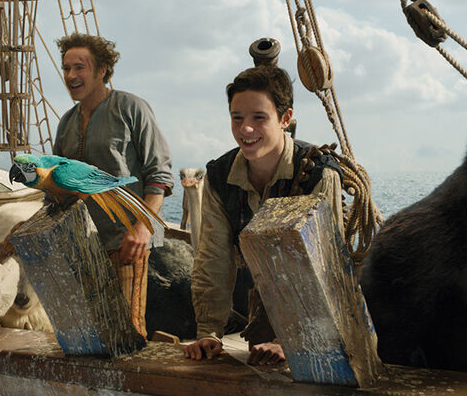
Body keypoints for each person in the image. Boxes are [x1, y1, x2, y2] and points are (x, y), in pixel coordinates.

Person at [183, 65, 344, 364]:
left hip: (321, 321)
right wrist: (209, 332)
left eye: (259, 117)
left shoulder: (317, 175)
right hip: (266, 311)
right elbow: (213, 259)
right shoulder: (220, 177)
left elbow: (326, 268)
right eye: (237, 118)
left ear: (285, 119)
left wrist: (291, 341)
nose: (246, 129)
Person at [53, 33, 174, 338]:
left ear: (102, 70)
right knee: (91, 334)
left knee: (127, 332)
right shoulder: (66, 123)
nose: (71, 75)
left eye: (79, 67)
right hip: (82, 246)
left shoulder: (131, 107)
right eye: (66, 68)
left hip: (127, 242)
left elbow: (159, 175)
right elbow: (59, 187)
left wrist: (143, 227)